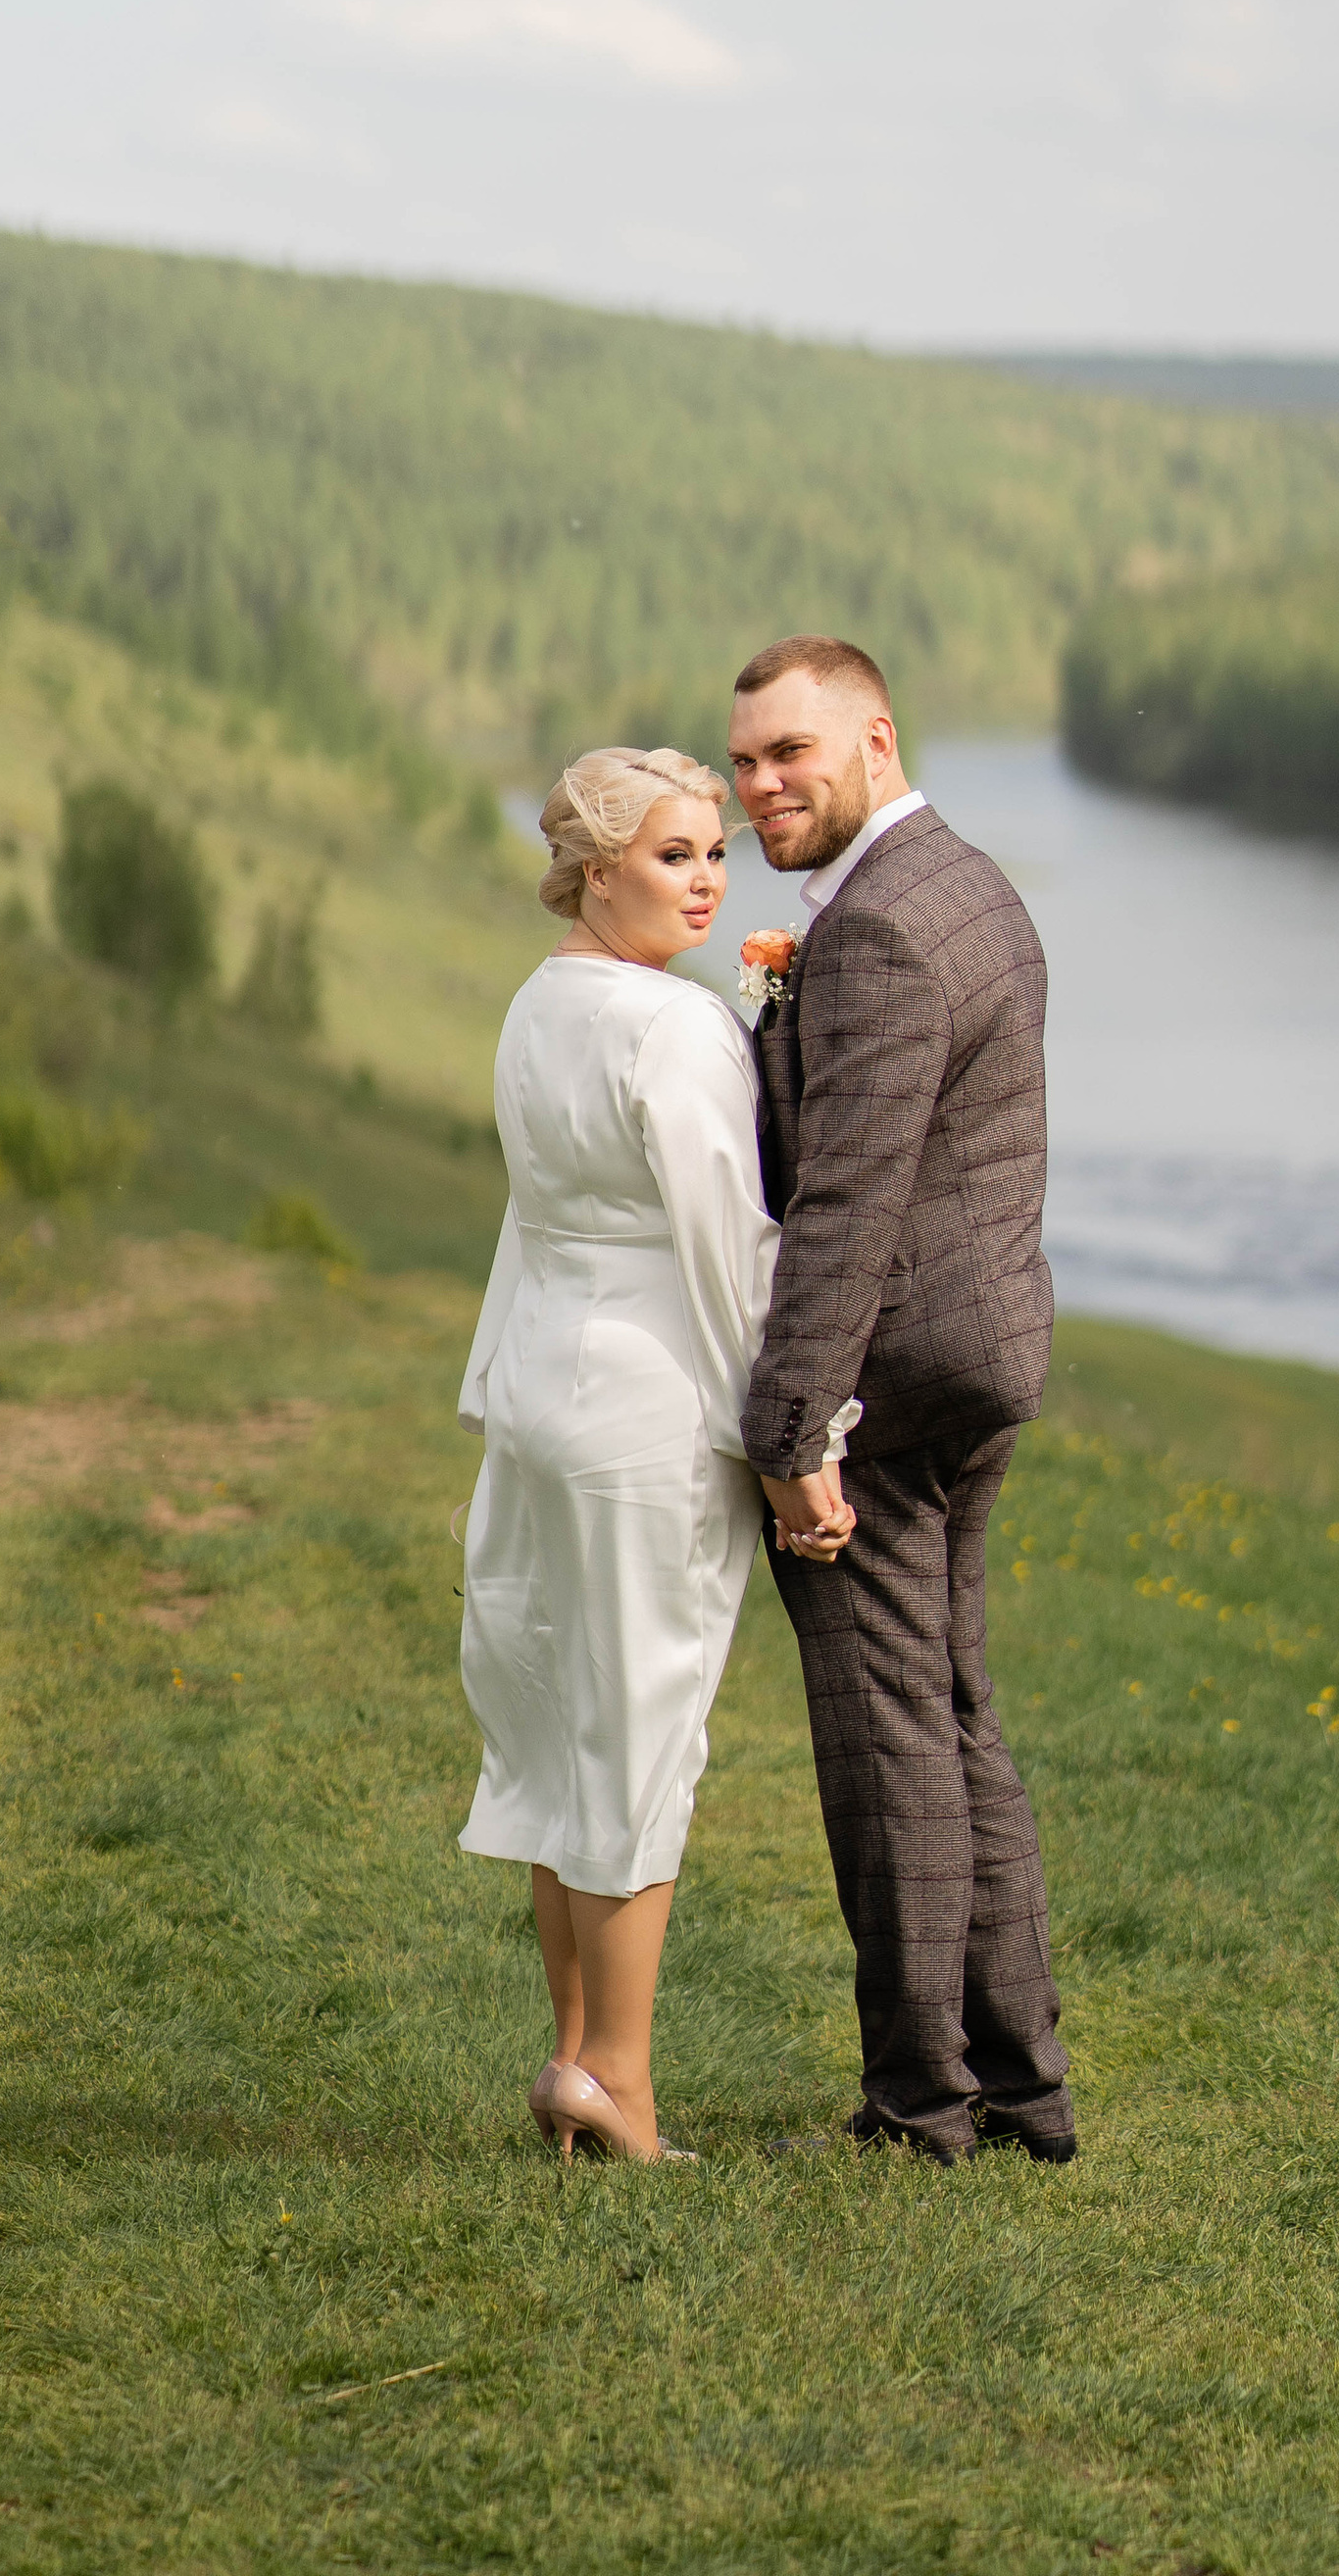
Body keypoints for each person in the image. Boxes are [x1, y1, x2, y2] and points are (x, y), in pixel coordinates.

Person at [455, 744, 853, 2163]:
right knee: (637, 1733)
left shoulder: (536, 1002)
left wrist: (491, 1377)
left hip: (544, 1391)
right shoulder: (675, 1031)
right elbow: (729, 1251)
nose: (705, 877)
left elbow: (529, 1212)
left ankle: (573, 2057)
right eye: (674, 853)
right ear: (596, 866)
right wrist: (795, 1437)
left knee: (566, 1725)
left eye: (714, 852)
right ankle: (616, 2081)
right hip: (642, 1413)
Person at [729, 636, 1073, 2164]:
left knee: (888, 1740)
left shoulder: (872, 935)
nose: (760, 787)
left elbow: (851, 1208)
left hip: (894, 1381)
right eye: (743, 762)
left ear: (873, 737)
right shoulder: (970, 882)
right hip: (986, 1351)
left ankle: (920, 2109)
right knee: (951, 1713)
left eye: (790, 753)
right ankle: (1021, 2093)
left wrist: (794, 1431)